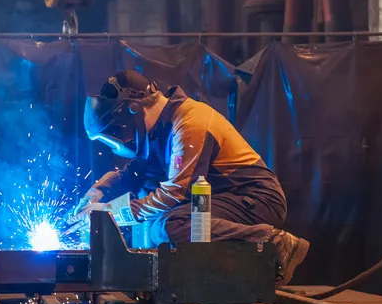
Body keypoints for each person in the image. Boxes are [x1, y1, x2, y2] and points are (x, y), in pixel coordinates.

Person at [72, 69, 310, 283]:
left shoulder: (189, 122)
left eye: (116, 134)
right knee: (155, 219)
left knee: (170, 225)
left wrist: (110, 213)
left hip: (255, 198)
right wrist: (98, 191)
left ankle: (277, 243)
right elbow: (133, 173)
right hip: (219, 198)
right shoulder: (159, 130)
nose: (122, 142)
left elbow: (173, 194)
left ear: (133, 109)